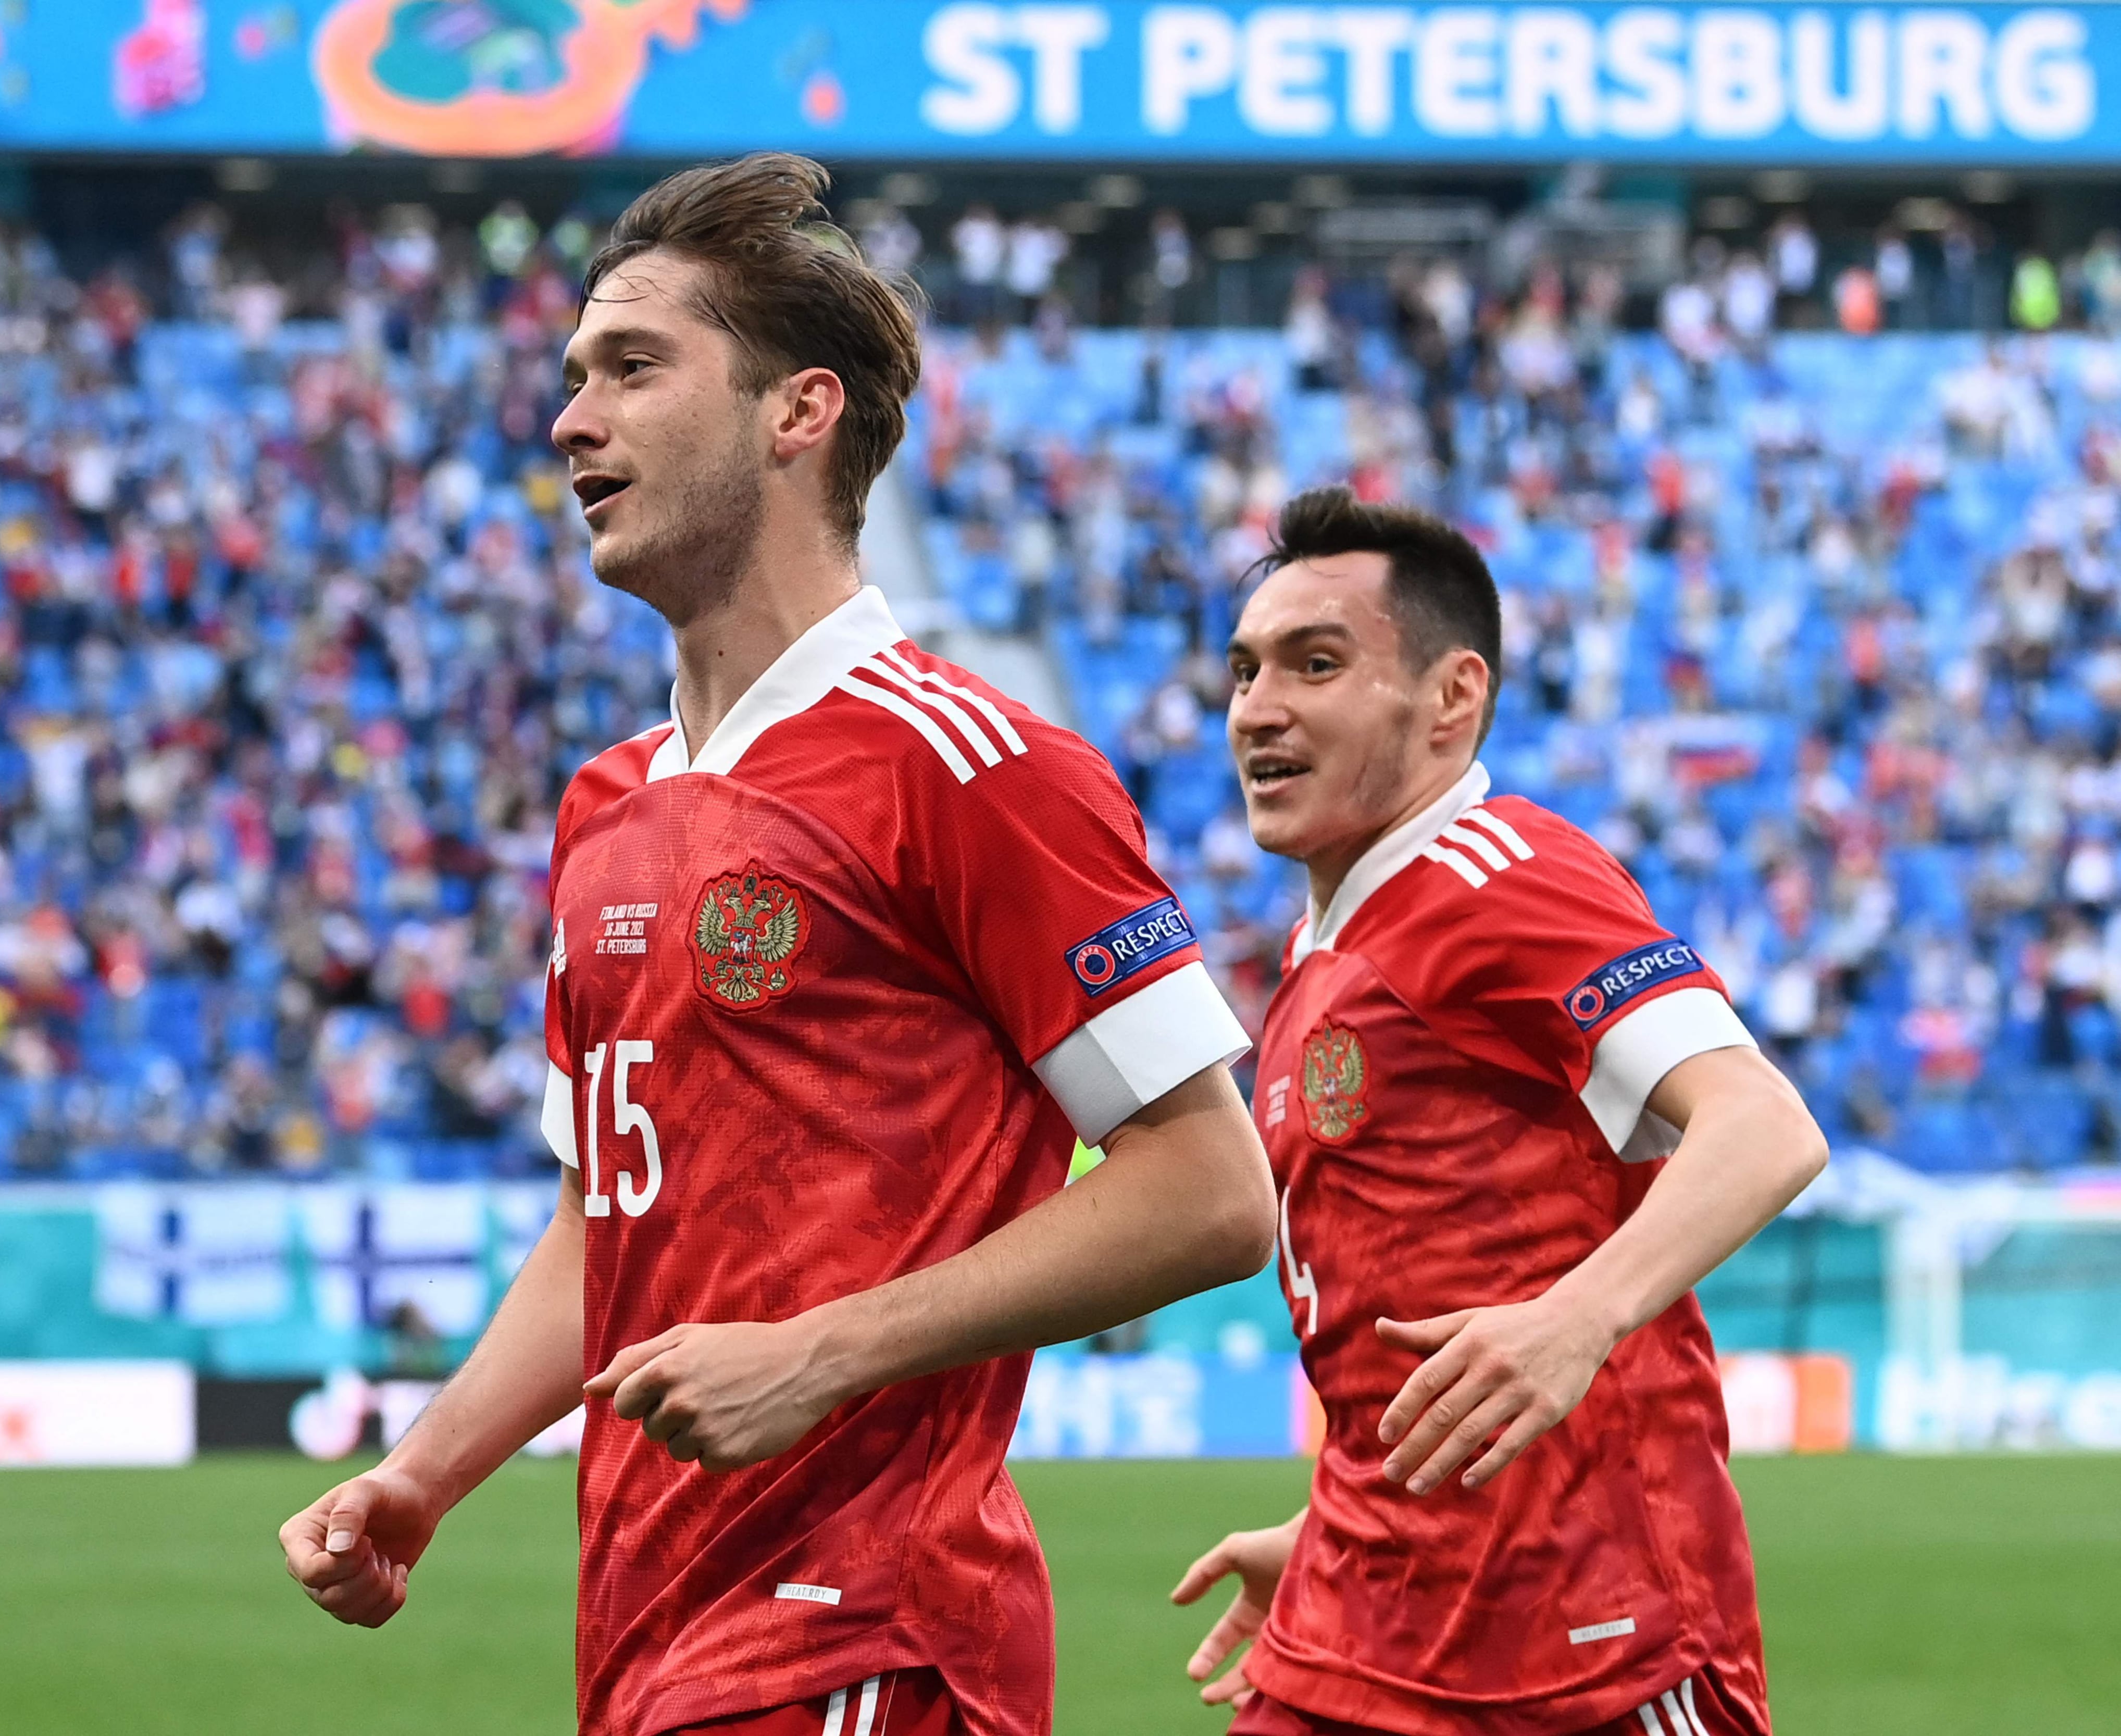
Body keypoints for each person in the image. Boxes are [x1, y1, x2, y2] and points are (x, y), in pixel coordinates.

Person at [280, 154, 1278, 1736]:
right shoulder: (605, 807)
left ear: (796, 413)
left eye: (631, 366)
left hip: (866, 1633)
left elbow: (1216, 1188)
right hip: (653, 1637)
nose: (568, 420)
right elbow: (606, 1223)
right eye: (569, 377)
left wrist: (823, 1350)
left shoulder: (971, 767)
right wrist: (424, 1471)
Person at [1172, 489, 1827, 1736]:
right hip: (1361, 1616)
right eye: (1245, 669)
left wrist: (1577, 1317)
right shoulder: (1332, 939)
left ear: (1450, 699)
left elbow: (1761, 1120)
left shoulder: (1498, 882)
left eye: (1318, 664)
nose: (1259, 706)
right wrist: (1330, 1526)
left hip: (1584, 1644)